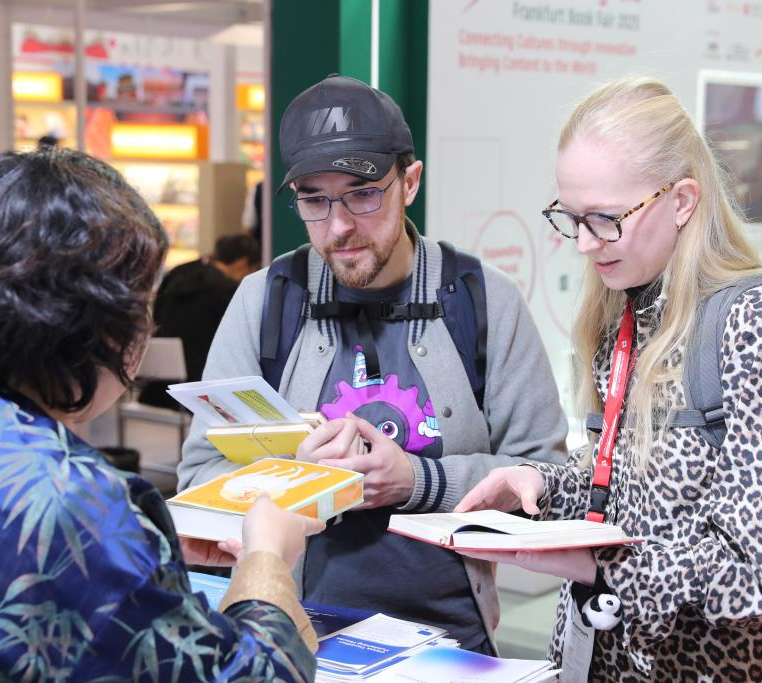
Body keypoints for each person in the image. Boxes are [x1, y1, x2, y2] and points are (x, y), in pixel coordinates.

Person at [454, 77, 762, 681]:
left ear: (682, 201)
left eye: (606, 219)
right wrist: (541, 485)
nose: (585, 243)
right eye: (571, 217)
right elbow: (626, 486)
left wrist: (602, 567)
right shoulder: (628, 307)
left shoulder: (760, 324)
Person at [0, 147, 323, 682]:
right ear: (103, 318)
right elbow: (254, 675)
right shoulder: (71, 501)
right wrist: (268, 558)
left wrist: (143, 548)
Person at [177, 74, 569, 655]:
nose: (339, 226)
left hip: (452, 646)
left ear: (409, 182)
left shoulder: (483, 298)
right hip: (295, 636)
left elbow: (546, 480)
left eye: (362, 194)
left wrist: (417, 480)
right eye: (314, 199)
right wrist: (296, 475)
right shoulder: (266, 300)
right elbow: (197, 480)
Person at [138, 234, 260, 408]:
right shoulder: (230, 293)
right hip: (203, 394)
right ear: (242, 263)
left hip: (157, 390)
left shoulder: (177, 273)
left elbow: (156, 317)